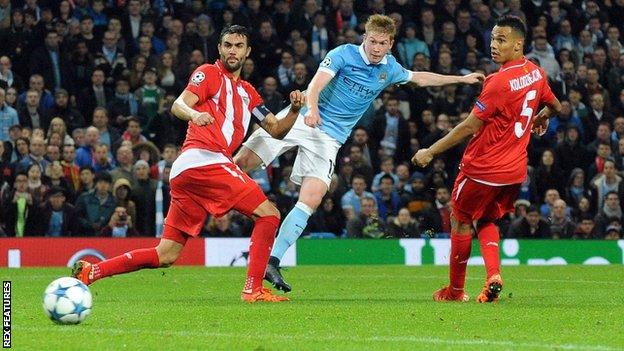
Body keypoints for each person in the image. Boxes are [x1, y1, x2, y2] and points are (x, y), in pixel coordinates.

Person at [234, 14, 483, 293]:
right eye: (373, 41)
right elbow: (316, 83)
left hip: (330, 138)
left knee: (311, 198)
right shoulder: (343, 54)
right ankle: (205, 195)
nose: (377, 48)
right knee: (241, 163)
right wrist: (312, 109)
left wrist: (461, 79)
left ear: (391, 44)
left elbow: (420, 78)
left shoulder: (389, 68)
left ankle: (272, 260)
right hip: (301, 119)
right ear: (365, 37)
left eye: (383, 43)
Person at [71, 25, 305, 303]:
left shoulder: (248, 93)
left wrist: (294, 110)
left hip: (190, 172)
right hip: (204, 159)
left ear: (247, 52)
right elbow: (179, 104)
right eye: (228, 44)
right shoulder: (208, 73)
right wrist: (194, 115)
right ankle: (253, 289)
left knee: (166, 254)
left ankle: (92, 271)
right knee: (269, 214)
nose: (232, 50)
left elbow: (276, 130)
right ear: (219, 48)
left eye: (239, 46)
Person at [413, 15, 562, 303]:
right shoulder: (536, 72)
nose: (494, 45)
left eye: (501, 40)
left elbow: (470, 126)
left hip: (482, 169)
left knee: (460, 220)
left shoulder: (498, 82)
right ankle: (493, 274)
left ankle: (455, 291)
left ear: (518, 45)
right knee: (488, 218)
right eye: (493, 38)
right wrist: (543, 116)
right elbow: (555, 105)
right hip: (515, 171)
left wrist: (430, 151)